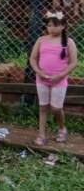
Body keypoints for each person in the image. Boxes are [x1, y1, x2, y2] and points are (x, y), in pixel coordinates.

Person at [29, 11, 78, 145]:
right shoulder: (41, 40)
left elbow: (74, 62)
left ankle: (62, 129)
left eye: (55, 25)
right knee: (43, 107)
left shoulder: (68, 42)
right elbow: (33, 58)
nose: (51, 28)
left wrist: (60, 76)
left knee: (56, 108)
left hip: (59, 80)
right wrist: (38, 71)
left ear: (63, 26)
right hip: (42, 79)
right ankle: (41, 134)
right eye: (49, 25)